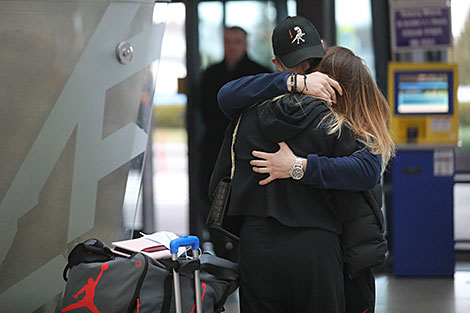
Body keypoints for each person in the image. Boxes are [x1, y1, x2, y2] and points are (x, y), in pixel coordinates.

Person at [210, 16, 395, 313]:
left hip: (256, 244)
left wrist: (297, 165)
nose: (304, 69)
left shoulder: (249, 114)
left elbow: (227, 96)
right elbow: (367, 170)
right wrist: (302, 167)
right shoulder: (334, 122)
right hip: (315, 244)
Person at [198, 26, 272, 260]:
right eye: (228, 41)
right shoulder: (211, 73)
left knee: (243, 201)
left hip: (248, 151)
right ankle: (220, 251)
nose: (232, 46)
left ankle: (245, 253)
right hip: (214, 148)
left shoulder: (259, 73)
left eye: (237, 41)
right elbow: (203, 111)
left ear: (245, 44)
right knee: (212, 200)